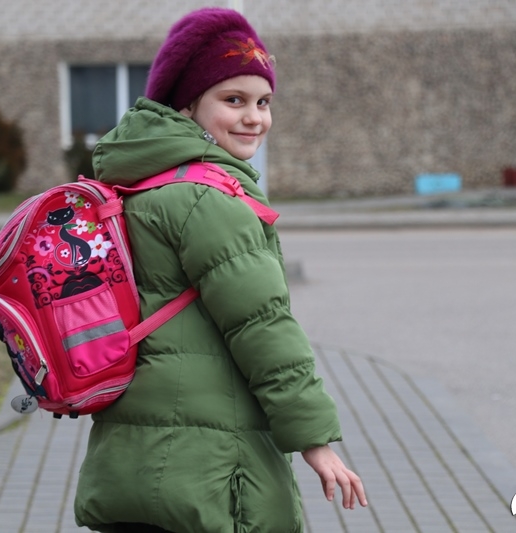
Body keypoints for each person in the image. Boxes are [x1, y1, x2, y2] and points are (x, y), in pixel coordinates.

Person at [74, 8, 367, 532]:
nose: (254, 118)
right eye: (233, 100)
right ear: (187, 106)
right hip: (209, 463)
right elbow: (263, 326)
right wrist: (314, 440)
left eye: (263, 102)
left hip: (133, 453)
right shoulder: (207, 199)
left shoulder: (138, 183)